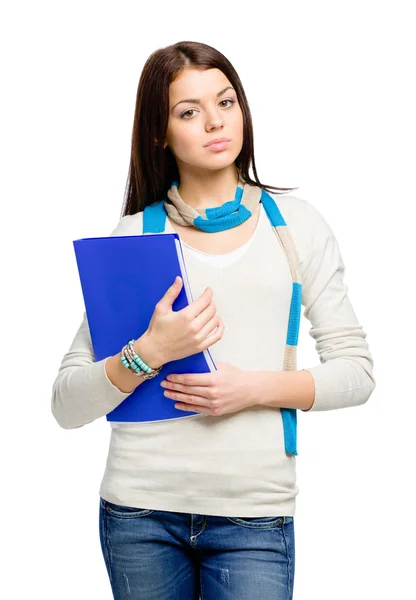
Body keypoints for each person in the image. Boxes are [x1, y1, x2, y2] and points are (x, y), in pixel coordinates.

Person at [51, 40, 376, 600]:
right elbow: (66, 404)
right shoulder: (136, 237)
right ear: (160, 132)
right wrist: (149, 351)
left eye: (225, 102)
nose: (214, 122)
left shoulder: (296, 226)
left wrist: (250, 389)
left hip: (254, 516)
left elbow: (358, 373)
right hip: (139, 514)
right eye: (188, 111)